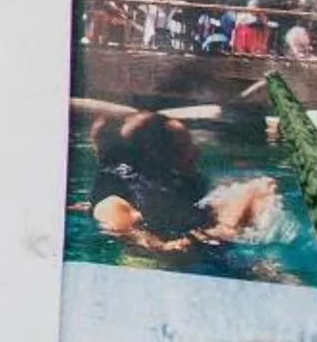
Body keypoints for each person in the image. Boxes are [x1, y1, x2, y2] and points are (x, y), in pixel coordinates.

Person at [75, 97, 281, 249]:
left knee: (260, 188)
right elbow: (154, 250)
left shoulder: (174, 185)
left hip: (206, 248)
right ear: (156, 157)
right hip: (155, 270)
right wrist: (226, 228)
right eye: (183, 147)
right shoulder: (114, 204)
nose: (197, 152)